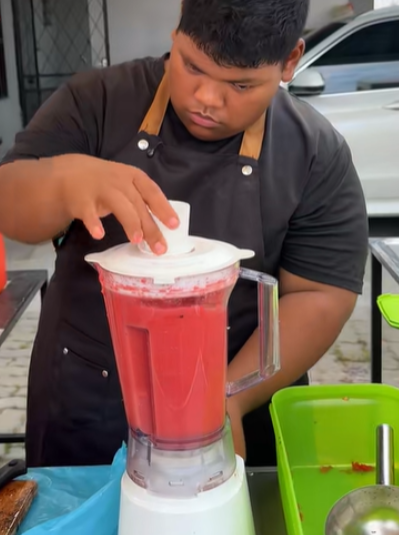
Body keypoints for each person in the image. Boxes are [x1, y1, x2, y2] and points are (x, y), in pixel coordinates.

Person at [0, 0, 368, 468]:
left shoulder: (315, 153)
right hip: (88, 392)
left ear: (290, 62)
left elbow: (319, 292)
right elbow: (10, 206)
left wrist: (228, 395)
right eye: (192, 66)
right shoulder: (98, 100)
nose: (207, 99)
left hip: (237, 392)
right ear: (176, 31)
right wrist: (63, 180)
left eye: (241, 84)